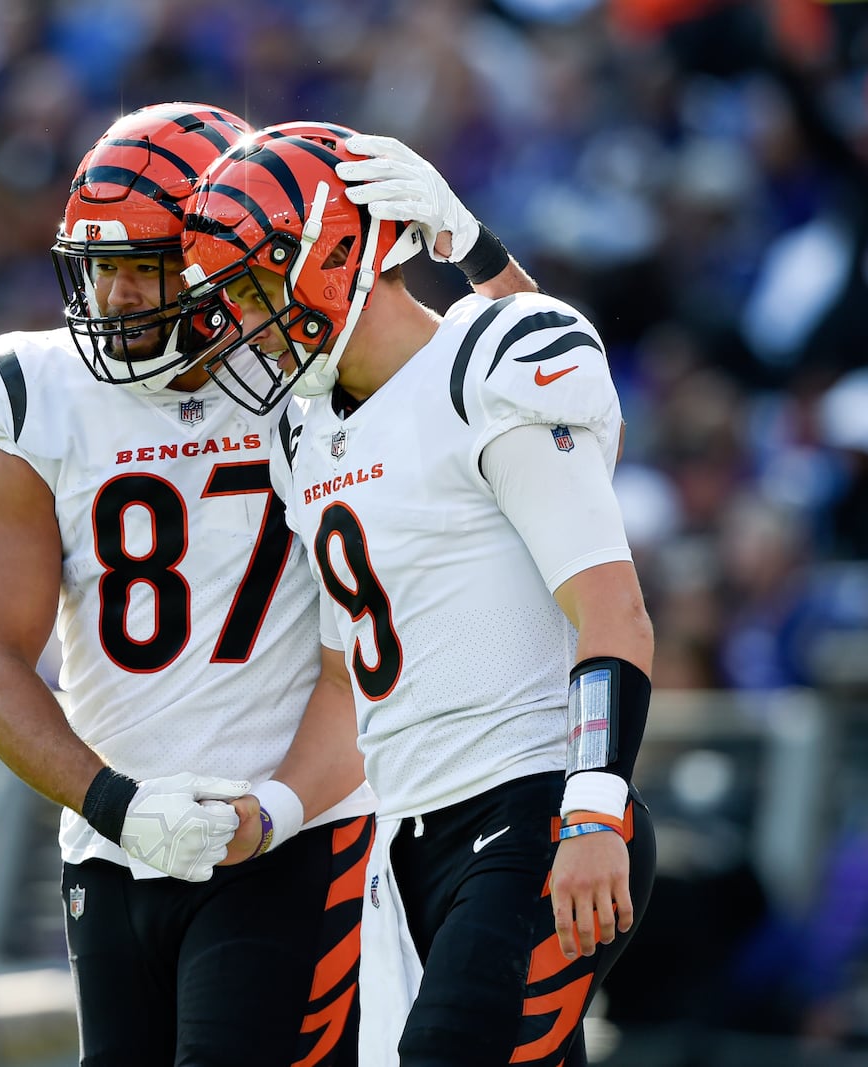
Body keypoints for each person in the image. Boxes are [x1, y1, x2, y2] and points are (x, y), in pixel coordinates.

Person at [0, 102, 529, 1065]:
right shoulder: (38, 391)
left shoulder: (315, 368)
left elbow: (539, 390)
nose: (122, 297)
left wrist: (475, 251)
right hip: (110, 846)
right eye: (105, 267)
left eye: (149, 265)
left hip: (295, 834)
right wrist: (119, 805)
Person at [180, 121, 659, 1066]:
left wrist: (596, 801)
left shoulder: (490, 361)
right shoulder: (303, 434)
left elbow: (616, 612)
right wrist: (275, 808)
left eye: (251, 282)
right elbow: (345, 678)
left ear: (324, 256)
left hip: (532, 809)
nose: (239, 316)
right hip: (404, 841)